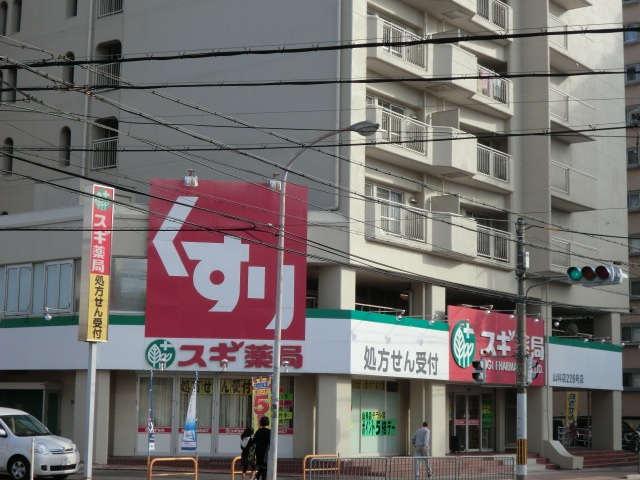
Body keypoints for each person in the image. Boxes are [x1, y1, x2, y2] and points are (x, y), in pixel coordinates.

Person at [252, 416, 271, 480]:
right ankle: (258, 478)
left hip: (258, 451)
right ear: (268, 423)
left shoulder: (258, 431)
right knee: (265, 467)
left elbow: (254, 441)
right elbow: (271, 442)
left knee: (262, 466)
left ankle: (256, 478)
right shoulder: (270, 432)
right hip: (266, 451)